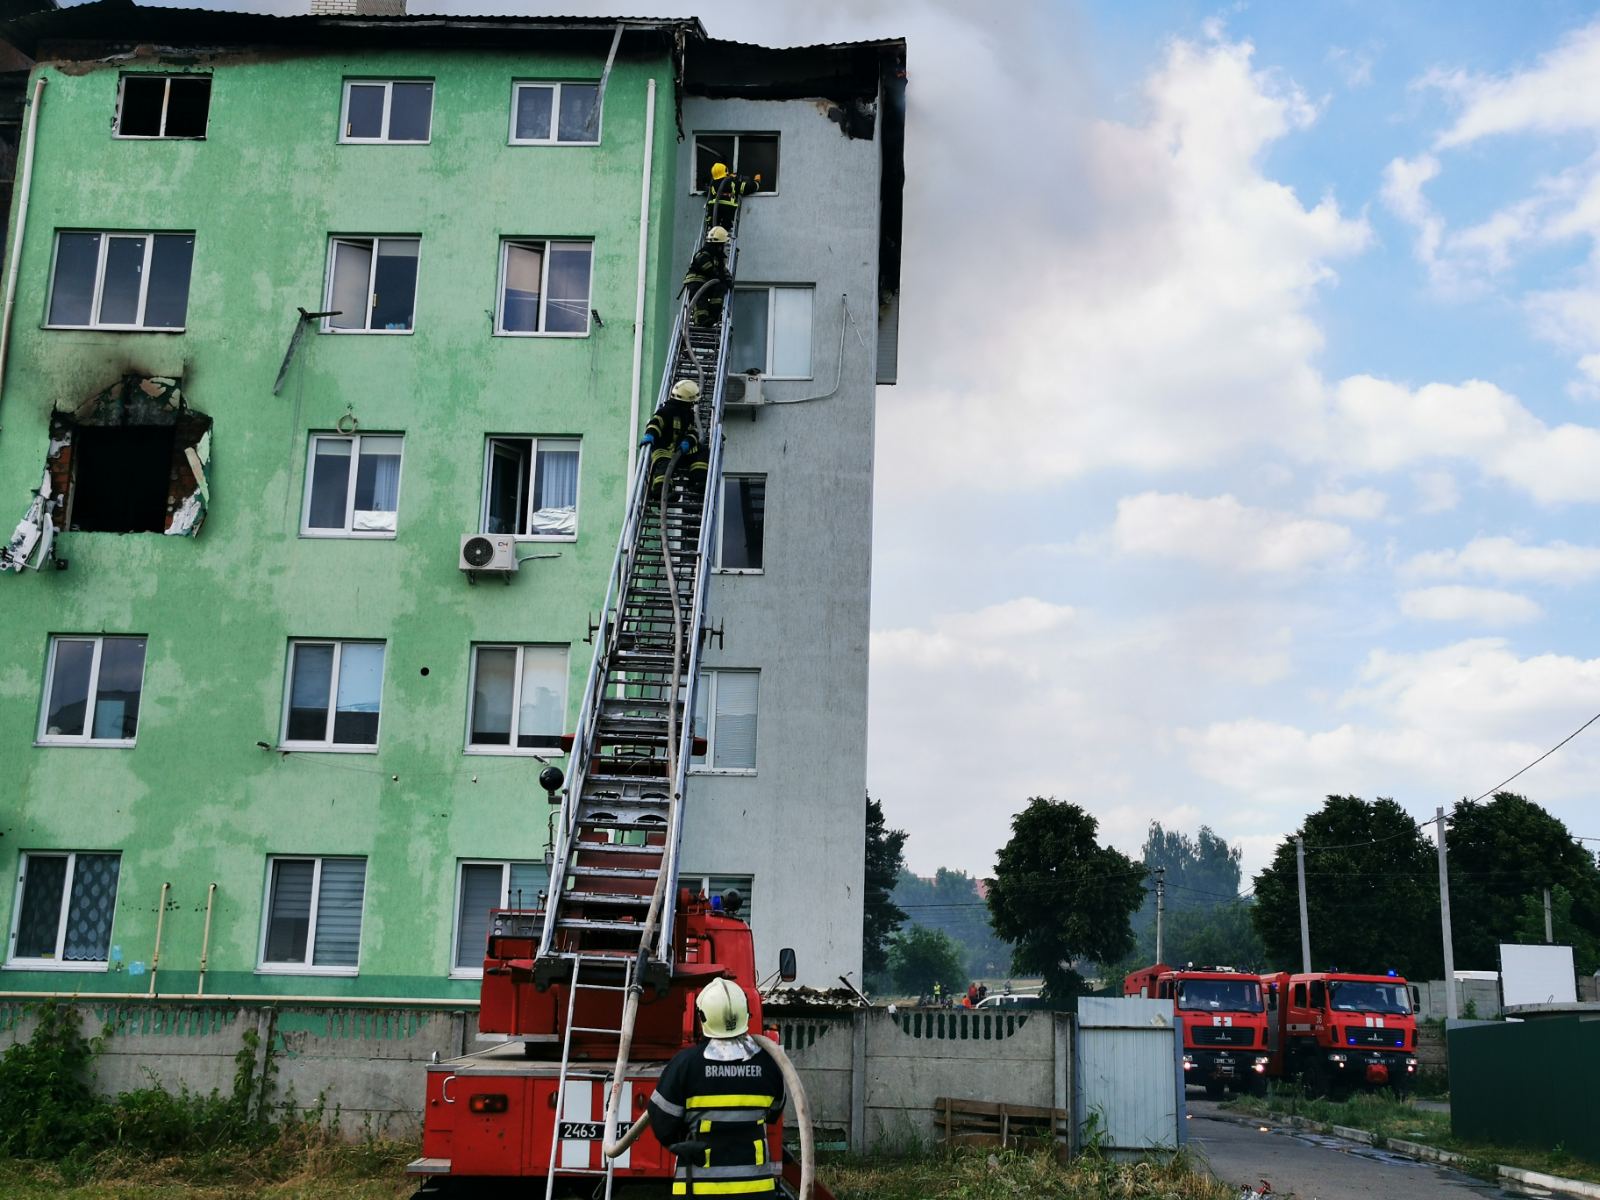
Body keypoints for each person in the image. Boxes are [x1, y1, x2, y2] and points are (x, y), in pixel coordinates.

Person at [648, 977, 785, 1197]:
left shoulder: (685, 1065)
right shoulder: (769, 1065)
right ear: (745, 1014)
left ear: (702, 1017)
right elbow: (774, 1112)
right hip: (756, 1192)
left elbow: (662, 1121)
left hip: (699, 1191)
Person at [641, 379, 707, 491]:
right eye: (692, 401)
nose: (693, 404)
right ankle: (661, 490)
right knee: (664, 468)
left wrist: (688, 442)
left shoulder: (688, 414)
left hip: (681, 451)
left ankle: (698, 481)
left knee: (703, 451)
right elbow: (655, 424)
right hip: (663, 451)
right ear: (686, 400)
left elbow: (692, 432)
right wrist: (650, 435)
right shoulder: (666, 411)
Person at [682, 226, 732, 328]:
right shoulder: (703, 254)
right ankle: (701, 320)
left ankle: (712, 318)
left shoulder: (718, 258)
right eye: (722, 244)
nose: (722, 247)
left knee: (720, 289)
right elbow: (708, 267)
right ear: (718, 245)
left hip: (708, 283)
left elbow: (724, 272)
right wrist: (718, 276)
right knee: (700, 299)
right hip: (696, 281)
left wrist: (728, 280)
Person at [704, 161, 761, 231]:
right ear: (725, 171)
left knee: (712, 227)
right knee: (726, 227)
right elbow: (747, 187)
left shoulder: (712, 184)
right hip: (728, 208)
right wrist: (756, 182)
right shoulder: (732, 182)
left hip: (713, 209)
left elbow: (707, 191)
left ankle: (712, 230)